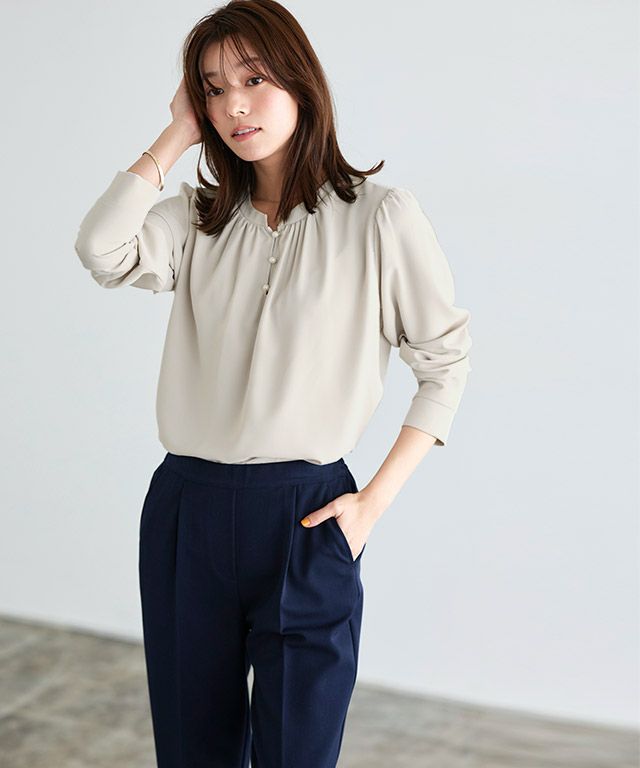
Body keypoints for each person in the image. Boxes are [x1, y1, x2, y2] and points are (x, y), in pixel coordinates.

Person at [73, 0, 473, 765]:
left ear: (300, 81)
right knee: (193, 749)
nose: (234, 105)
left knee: (299, 749)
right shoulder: (196, 218)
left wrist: (370, 506)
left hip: (308, 514)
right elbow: (101, 249)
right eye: (213, 89)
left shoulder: (378, 218)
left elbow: (445, 364)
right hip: (188, 507)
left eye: (253, 79)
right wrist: (176, 133)